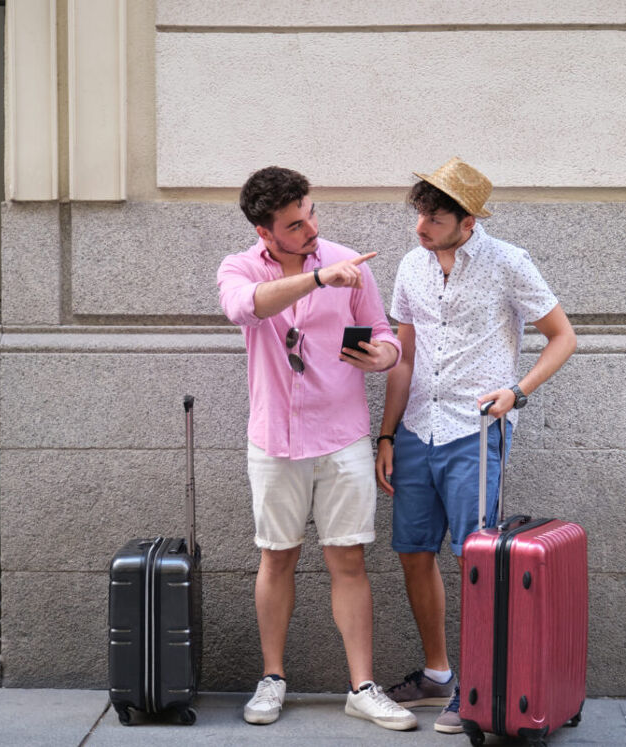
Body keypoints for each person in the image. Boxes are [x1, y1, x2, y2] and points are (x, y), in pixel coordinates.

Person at [375, 157, 576, 734]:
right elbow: (405, 356)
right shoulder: (412, 266)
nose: (420, 227)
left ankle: (479, 688)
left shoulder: (508, 262)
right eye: (419, 213)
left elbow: (564, 337)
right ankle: (439, 674)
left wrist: (517, 391)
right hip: (416, 428)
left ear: (466, 221)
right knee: (413, 550)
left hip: (475, 429)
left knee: (476, 560)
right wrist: (386, 433)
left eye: (434, 217)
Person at [218, 166, 417, 731]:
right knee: (277, 556)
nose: (309, 229)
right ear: (265, 232)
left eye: (310, 215)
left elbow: (383, 333)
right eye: (294, 224)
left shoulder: (348, 263)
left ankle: (362, 686)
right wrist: (320, 280)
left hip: (343, 436)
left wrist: (384, 356)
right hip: (274, 438)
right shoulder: (238, 269)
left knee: (347, 559)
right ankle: (273, 678)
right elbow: (246, 307)